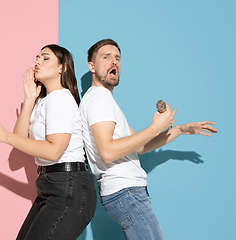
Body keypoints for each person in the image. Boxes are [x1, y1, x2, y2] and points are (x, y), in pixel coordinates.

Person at [79, 39, 218, 240]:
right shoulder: (100, 98)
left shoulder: (102, 100)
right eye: (106, 57)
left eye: (117, 58)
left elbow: (140, 146)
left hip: (125, 193)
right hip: (125, 192)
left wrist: (179, 129)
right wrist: (155, 127)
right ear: (91, 66)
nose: (114, 62)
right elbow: (108, 152)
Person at [0, 44, 97, 240]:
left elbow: (54, 151)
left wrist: (4, 135)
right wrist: (29, 98)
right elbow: (20, 141)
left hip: (69, 187)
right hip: (51, 186)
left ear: (62, 68)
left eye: (46, 58)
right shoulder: (44, 101)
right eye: (37, 57)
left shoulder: (60, 98)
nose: (38, 61)